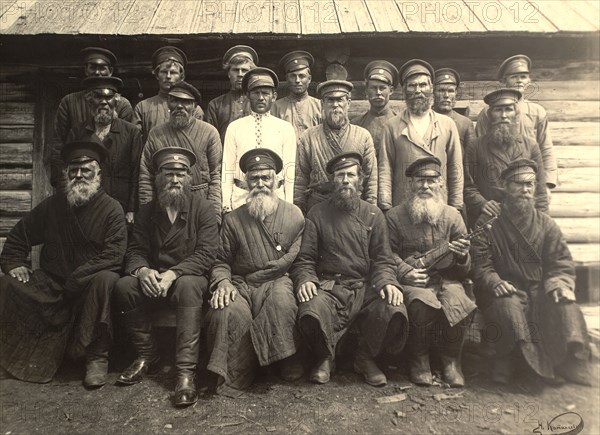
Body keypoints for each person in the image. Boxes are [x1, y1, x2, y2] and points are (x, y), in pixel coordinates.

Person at [0, 139, 126, 388]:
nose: (79, 175)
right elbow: (18, 236)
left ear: (98, 173)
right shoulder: (52, 205)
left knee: (107, 279)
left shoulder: (112, 209)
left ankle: (96, 357)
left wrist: (78, 278)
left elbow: (114, 255)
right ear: (66, 173)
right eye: (74, 170)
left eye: (86, 170)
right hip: (53, 283)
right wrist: (14, 263)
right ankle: (11, 357)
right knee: (7, 283)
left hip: (88, 286)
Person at [114, 147, 219, 407]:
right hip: (156, 282)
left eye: (181, 174)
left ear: (189, 178)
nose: (175, 180)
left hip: (187, 280)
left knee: (188, 285)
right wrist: (143, 271)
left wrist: (174, 273)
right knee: (125, 286)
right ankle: (147, 356)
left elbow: (207, 253)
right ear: (158, 177)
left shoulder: (203, 209)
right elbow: (136, 250)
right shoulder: (148, 211)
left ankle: (185, 373)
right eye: (169, 174)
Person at [291, 152, 407, 386]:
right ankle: (326, 357)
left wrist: (387, 282)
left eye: (351, 175)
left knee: (394, 307)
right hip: (329, 287)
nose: (345, 180)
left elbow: (383, 259)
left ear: (360, 180)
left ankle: (365, 358)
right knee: (310, 308)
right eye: (340, 175)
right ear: (332, 180)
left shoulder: (374, 215)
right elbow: (305, 259)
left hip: (363, 287)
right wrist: (306, 280)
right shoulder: (317, 213)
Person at [472, 159, 591, 386]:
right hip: (503, 290)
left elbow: (560, 262)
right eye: (518, 184)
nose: (525, 190)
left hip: (539, 290)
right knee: (506, 307)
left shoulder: (546, 224)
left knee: (565, 303)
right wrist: (495, 282)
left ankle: (567, 361)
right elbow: (479, 263)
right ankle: (506, 359)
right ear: (505, 187)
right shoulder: (488, 222)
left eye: (530, 184)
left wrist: (558, 284)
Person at [206, 148, 305, 394]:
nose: (260, 184)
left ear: (277, 181)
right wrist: (223, 283)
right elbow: (220, 261)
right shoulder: (233, 219)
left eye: (266, 178)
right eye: (254, 178)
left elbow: (297, 257)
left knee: (282, 302)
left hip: (276, 280)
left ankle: (283, 358)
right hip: (241, 283)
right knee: (227, 308)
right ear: (246, 182)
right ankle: (241, 369)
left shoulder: (294, 215)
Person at [386, 157, 476, 387]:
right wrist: (405, 272)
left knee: (460, 301)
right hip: (413, 282)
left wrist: (462, 255)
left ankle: (450, 361)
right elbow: (386, 255)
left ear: (440, 185)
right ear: (411, 184)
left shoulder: (453, 216)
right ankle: (419, 359)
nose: (425, 186)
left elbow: (466, 267)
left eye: (431, 181)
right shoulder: (395, 217)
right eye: (420, 181)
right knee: (420, 302)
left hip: (445, 280)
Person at [378, 59, 463, 212]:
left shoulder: (447, 125)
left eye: (423, 85)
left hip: (439, 206)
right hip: (404, 207)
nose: (418, 91)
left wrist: (455, 207)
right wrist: (386, 207)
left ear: (431, 88)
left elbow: (455, 168)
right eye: (412, 86)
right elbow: (385, 169)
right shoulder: (392, 126)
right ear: (404, 91)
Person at [464, 88, 548, 226]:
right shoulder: (476, 146)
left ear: (516, 114)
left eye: (508, 109)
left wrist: (542, 225)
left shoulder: (530, 146)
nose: (504, 115)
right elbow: (467, 186)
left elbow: (541, 191)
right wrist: (482, 203)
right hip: (490, 220)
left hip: (524, 220)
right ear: (490, 115)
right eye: (498, 110)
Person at [138, 81, 222, 219]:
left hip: (200, 203)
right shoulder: (156, 133)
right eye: (174, 100)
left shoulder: (209, 132)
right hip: (165, 201)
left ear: (195, 106)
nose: (179, 106)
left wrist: (214, 214)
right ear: (168, 103)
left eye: (186, 102)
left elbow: (216, 175)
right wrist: (146, 211)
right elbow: (146, 174)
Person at [475, 55, 558, 191]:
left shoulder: (537, 111)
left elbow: (546, 148)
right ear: (504, 80)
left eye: (523, 76)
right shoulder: (488, 112)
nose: (519, 81)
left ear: (529, 80)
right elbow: (480, 149)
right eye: (514, 77)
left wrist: (547, 184)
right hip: (496, 181)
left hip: (528, 184)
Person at [67, 76, 143, 224]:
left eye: (108, 97)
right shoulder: (77, 132)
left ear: (116, 101)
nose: (103, 102)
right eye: (98, 97)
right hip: (86, 204)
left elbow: (136, 172)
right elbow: (68, 170)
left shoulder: (131, 133)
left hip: (120, 205)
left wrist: (132, 209)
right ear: (89, 100)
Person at [294, 80, 377, 214]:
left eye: (340, 100)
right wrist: (299, 209)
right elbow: (300, 179)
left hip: (352, 205)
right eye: (330, 100)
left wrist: (371, 209)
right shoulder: (308, 136)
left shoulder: (363, 136)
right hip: (318, 207)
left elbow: (370, 177)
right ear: (322, 104)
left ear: (348, 103)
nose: (335, 105)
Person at [221, 67, 296, 212]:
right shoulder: (235, 127)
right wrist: (226, 202)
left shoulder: (285, 128)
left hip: (275, 197)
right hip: (241, 198)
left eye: (265, 93)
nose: (261, 97)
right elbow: (227, 168)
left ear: (274, 96)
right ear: (248, 95)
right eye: (256, 93)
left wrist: (289, 205)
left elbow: (289, 170)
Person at [55, 47, 133, 144]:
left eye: (102, 68)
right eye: (92, 67)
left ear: (111, 71)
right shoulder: (69, 102)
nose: (97, 72)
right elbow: (59, 141)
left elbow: (124, 140)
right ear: (86, 70)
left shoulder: (122, 104)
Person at [133, 46, 205, 142]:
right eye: (164, 72)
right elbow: (136, 142)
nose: (168, 76)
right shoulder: (142, 107)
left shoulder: (195, 109)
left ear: (181, 76)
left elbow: (200, 141)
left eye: (173, 72)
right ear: (157, 75)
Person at [206, 45, 258, 142]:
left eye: (244, 70)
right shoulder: (215, 105)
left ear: (251, 74)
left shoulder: (259, 102)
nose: (240, 74)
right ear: (229, 73)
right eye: (235, 70)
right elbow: (209, 139)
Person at [351, 60, 399, 161]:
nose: (378, 92)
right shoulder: (356, 124)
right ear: (366, 91)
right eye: (373, 88)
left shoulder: (399, 123)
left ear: (391, 91)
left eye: (382, 88)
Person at [271, 50, 322, 138]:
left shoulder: (320, 106)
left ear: (309, 79)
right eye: (293, 76)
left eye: (302, 76)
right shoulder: (276, 107)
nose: (297, 80)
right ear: (287, 79)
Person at [432, 68, 476, 155]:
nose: (446, 96)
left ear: (456, 93)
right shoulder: (424, 119)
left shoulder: (465, 124)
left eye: (450, 91)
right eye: (441, 90)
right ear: (433, 93)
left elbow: (471, 158)